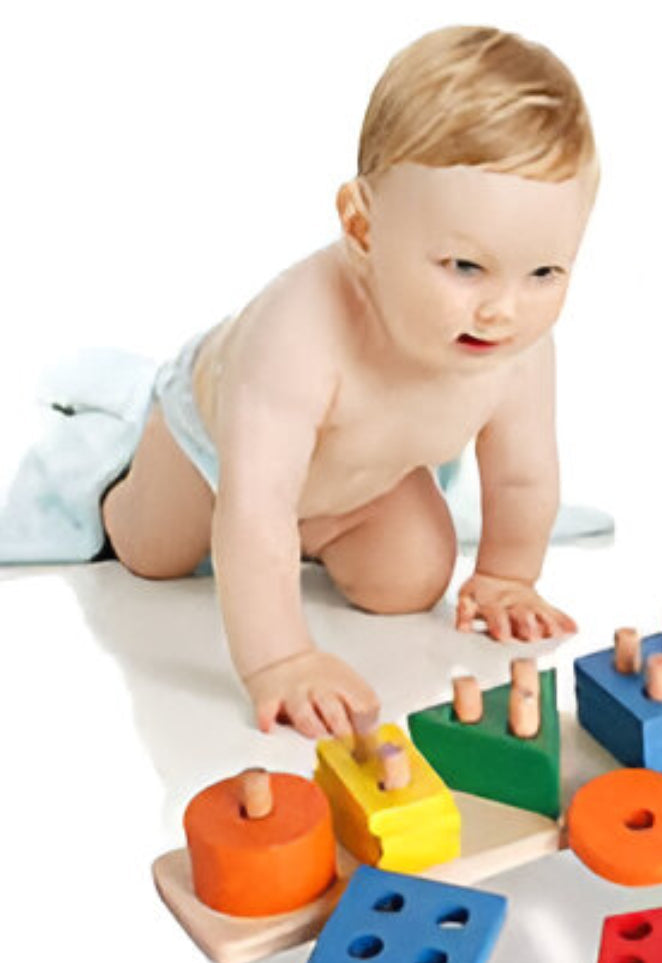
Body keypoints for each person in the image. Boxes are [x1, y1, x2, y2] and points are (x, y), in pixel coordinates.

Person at [100, 26, 599, 738]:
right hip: (216, 449)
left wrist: (505, 577)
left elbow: (522, 476)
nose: (503, 308)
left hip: (358, 475)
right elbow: (254, 502)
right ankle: (121, 475)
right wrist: (280, 659)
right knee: (151, 557)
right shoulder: (298, 334)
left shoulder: (514, 346)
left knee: (412, 581)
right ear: (362, 225)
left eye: (544, 272)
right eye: (465, 266)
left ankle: (308, 538)